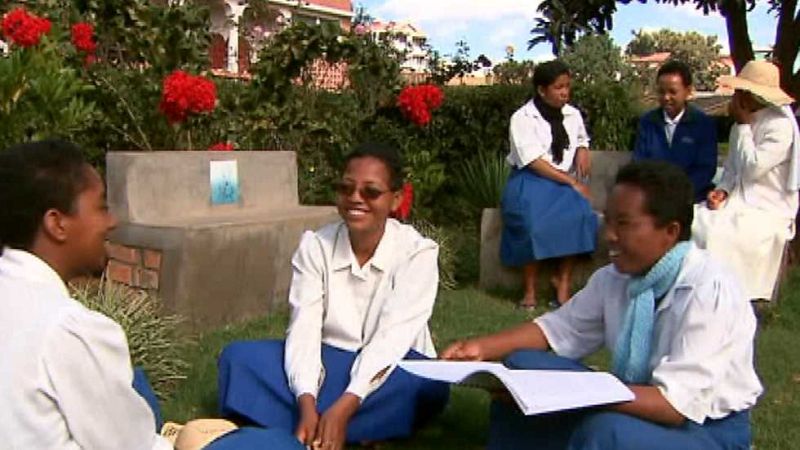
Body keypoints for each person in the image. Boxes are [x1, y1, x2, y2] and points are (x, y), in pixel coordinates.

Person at [443, 161, 762, 450]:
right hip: (636, 399)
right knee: (522, 366)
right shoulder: (615, 278)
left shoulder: (708, 289)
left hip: (703, 429)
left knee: (607, 432)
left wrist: (576, 393)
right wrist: (480, 348)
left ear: (670, 232)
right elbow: (558, 329)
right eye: (608, 220)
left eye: (623, 223)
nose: (609, 235)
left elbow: (674, 406)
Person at [217, 143, 449, 450]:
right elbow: (304, 329)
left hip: (393, 366)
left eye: (371, 192)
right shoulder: (315, 246)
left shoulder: (418, 253)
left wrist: (346, 406)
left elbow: (392, 340)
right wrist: (306, 401)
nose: (356, 198)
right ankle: (335, 424)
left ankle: (320, 421)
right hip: (328, 361)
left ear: (396, 199)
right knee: (239, 358)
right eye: (346, 188)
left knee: (424, 383)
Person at [0, 140, 171, 449]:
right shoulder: (68, 330)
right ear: (57, 224)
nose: (112, 222)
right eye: (101, 207)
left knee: (136, 382)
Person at [693, 60, 800, 301]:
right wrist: (722, 191)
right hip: (737, 201)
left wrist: (743, 126)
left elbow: (753, 169)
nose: (737, 96)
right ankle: (698, 288)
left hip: (767, 206)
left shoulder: (779, 127)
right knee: (695, 220)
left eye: (742, 91)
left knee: (719, 233)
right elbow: (732, 170)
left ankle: (727, 292)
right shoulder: (738, 127)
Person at [501, 59, 598, 309]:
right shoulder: (522, 118)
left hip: (561, 182)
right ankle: (530, 290)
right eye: (558, 87)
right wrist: (572, 182)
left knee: (581, 214)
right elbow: (533, 161)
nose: (565, 92)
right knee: (532, 223)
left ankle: (562, 282)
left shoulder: (572, 114)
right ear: (542, 90)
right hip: (530, 179)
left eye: (567, 86)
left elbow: (581, 137)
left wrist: (583, 148)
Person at [633, 60, 718, 202]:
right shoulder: (647, 122)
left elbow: (705, 169)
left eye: (672, 92)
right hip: (654, 199)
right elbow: (639, 164)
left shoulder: (703, 124)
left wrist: (679, 193)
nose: (666, 97)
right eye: (661, 92)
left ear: (687, 91)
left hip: (691, 198)